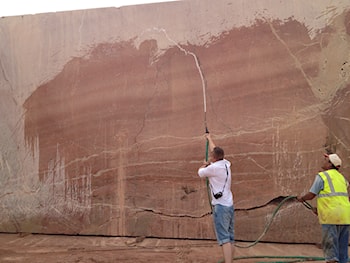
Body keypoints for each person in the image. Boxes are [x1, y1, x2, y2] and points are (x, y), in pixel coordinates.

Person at [297, 153, 350, 263]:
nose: (324, 161)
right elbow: (336, 198)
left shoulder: (322, 176)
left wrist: (302, 198)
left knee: (331, 249)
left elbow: (311, 195)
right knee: (342, 250)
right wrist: (319, 210)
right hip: (345, 216)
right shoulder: (342, 179)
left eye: (326, 160)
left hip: (331, 216)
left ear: (330, 164)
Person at [198, 133, 234, 262]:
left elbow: (200, 173)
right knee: (230, 237)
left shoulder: (213, 168)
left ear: (213, 158)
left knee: (224, 239)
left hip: (221, 207)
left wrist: (204, 164)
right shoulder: (226, 164)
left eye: (211, 156)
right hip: (229, 205)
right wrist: (209, 138)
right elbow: (216, 151)